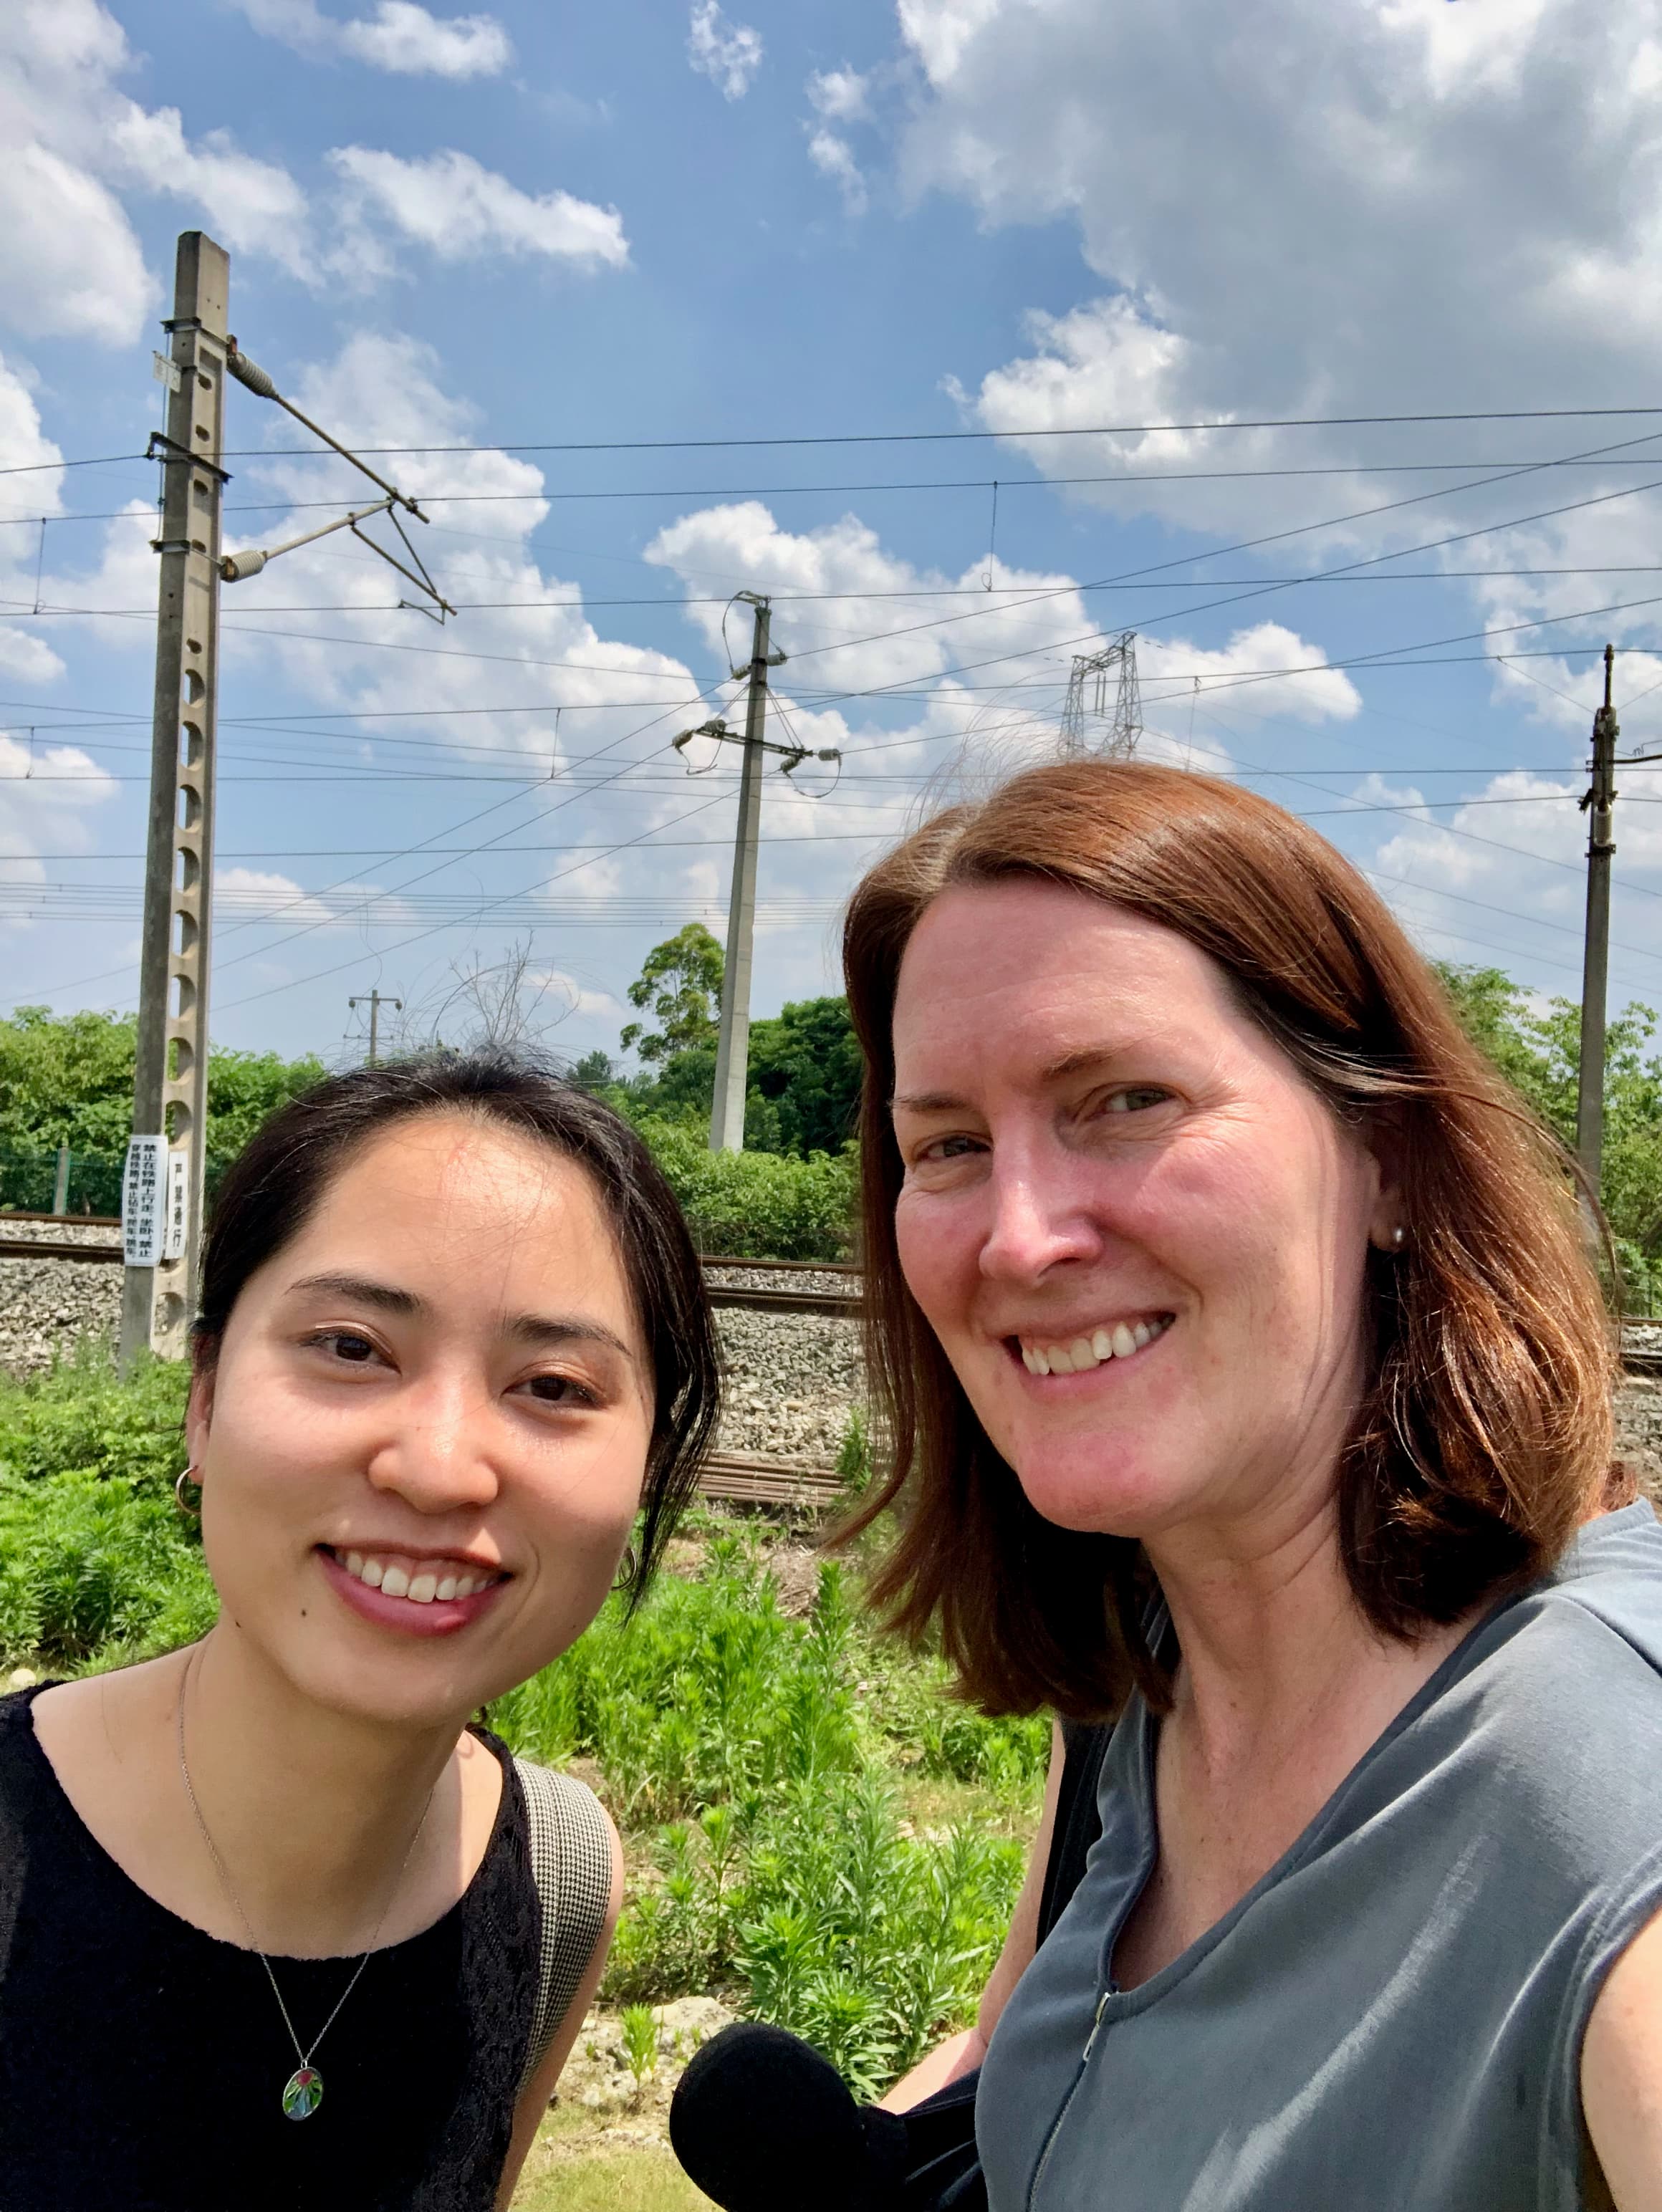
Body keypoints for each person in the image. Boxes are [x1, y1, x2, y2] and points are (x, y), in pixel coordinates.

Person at [838, 759, 1662, 2210]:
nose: (1018, 1238)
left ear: (1387, 1157)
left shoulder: (1600, 1771)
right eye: (948, 1144)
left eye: (1123, 1099)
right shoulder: (1135, 1680)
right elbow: (1028, 2057)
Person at [0, 1052, 720, 2211]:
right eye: (350, 1347)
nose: (439, 1469)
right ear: (204, 1394)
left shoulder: (561, 1881)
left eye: (551, 1386)